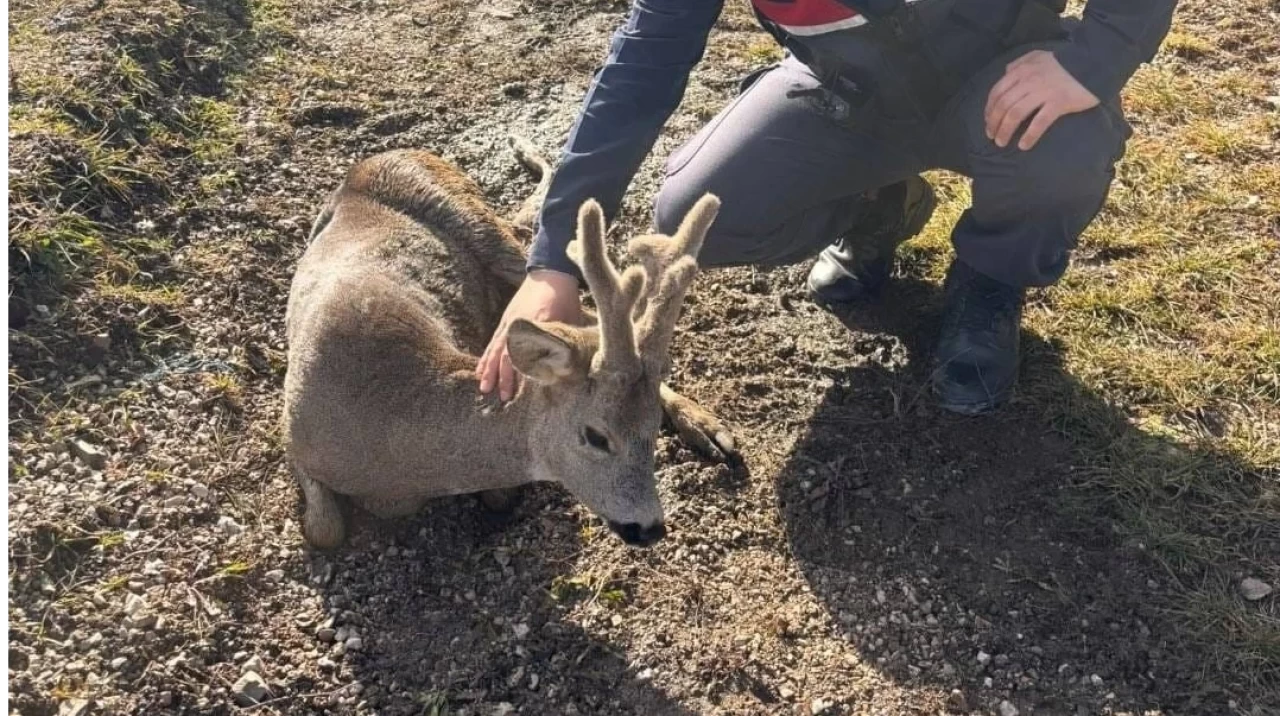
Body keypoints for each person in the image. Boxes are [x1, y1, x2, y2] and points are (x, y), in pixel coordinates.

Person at [476, 0, 1176, 415]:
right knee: (702, 210)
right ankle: (881, 207)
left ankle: (990, 282)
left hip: (1001, 80)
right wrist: (553, 262)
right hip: (853, 97)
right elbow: (641, 67)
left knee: (1066, 144)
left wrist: (1093, 57)